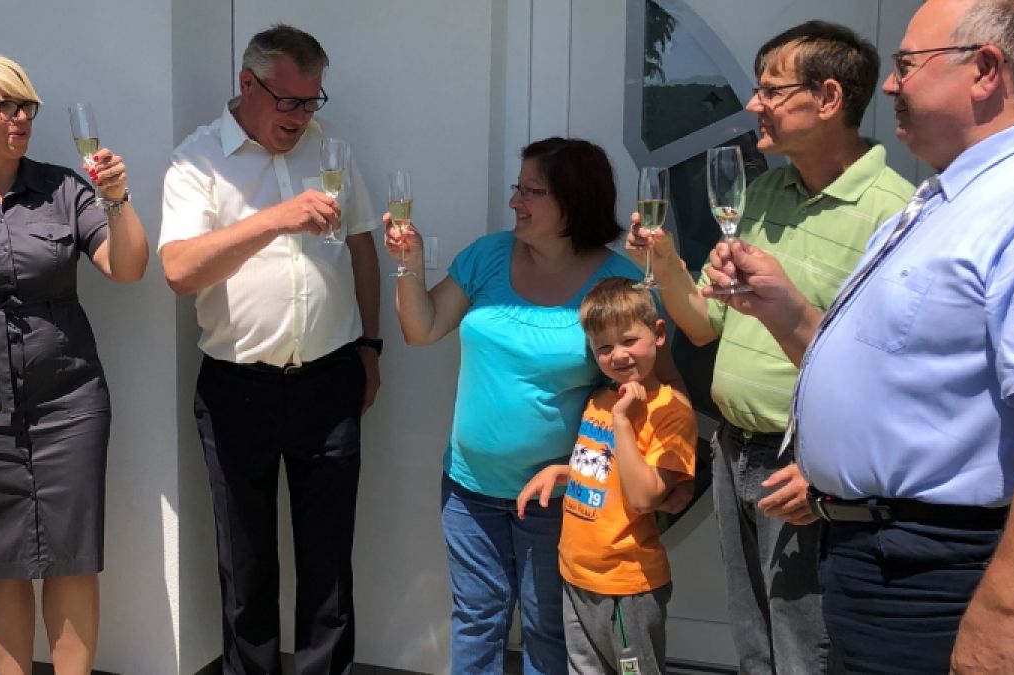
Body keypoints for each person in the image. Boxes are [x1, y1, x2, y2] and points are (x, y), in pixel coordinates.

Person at [703, 1, 1014, 672]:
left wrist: (1002, 615)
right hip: (881, 562)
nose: (889, 84)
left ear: (985, 69)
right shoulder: (950, 199)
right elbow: (894, 374)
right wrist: (784, 311)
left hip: (950, 574)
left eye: (907, 64)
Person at [627, 20, 912, 674]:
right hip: (733, 449)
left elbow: (895, 373)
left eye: (772, 91)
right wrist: (665, 263)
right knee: (755, 647)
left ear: (829, 98)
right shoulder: (758, 194)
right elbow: (704, 326)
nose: (754, 103)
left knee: (806, 651)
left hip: (808, 466)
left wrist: (829, 469)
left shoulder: (892, 212)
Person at [385, 137, 673, 674]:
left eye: (531, 191)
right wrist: (409, 265)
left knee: (549, 628)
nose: (515, 201)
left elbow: (647, 390)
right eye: (518, 188)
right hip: (468, 487)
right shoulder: (488, 255)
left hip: (558, 496)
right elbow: (422, 329)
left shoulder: (617, 283)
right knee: (476, 621)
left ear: (573, 201)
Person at [0, 54, 148, 674]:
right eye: (6, 106)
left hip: (69, 399)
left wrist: (117, 200)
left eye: (28, 106)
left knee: (72, 555)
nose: (21, 118)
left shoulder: (65, 188)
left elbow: (127, 268)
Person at [158, 25, 381, 675]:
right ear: (247, 84)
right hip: (238, 388)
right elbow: (179, 270)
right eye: (289, 101)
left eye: (312, 101)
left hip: (330, 379)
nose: (301, 117)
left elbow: (361, 248)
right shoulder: (197, 159)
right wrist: (274, 219)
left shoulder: (332, 150)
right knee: (247, 567)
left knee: (329, 566)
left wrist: (370, 348)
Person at [516, 277, 696, 674]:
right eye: (604, 347)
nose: (618, 355)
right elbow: (609, 470)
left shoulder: (670, 411)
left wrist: (622, 421)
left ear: (658, 333)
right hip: (577, 574)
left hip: (626, 585)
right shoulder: (600, 399)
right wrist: (563, 471)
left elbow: (645, 497)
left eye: (629, 340)